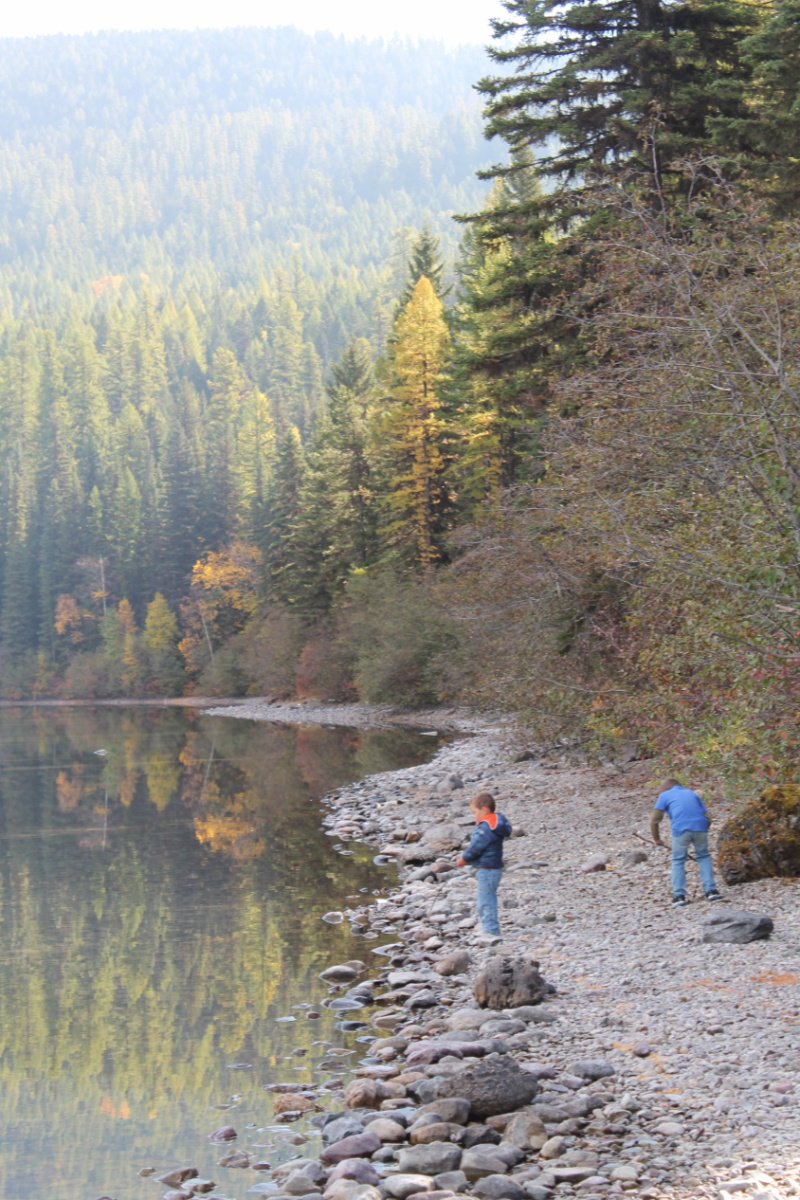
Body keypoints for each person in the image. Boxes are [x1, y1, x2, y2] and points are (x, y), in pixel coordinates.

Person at [651, 778, 722, 907]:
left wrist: (656, 838)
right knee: (704, 856)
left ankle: (679, 896)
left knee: (678, 860)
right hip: (700, 827)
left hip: (681, 829)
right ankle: (711, 891)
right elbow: (708, 817)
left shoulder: (664, 795)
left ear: (666, 788)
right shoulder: (692, 794)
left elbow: (655, 820)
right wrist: (703, 830)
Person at [456, 792, 512, 942]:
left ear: (485, 809)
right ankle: (490, 929)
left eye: (475, 812)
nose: (474, 816)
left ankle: (491, 931)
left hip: (487, 869)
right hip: (494, 868)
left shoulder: (486, 827)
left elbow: (476, 847)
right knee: (488, 898)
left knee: (485, 901)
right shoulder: (496, 822)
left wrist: (464, 859)